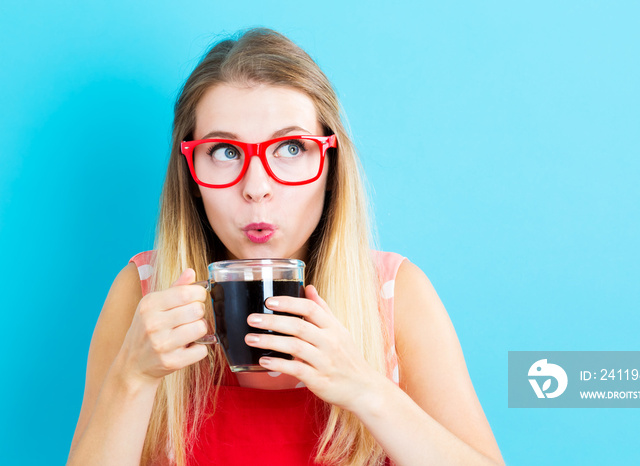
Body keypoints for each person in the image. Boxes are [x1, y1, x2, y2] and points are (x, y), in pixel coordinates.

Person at [68, 28, 504, 466]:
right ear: (190, 174)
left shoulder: (395, 296)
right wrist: (133, 377)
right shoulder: (143, 292)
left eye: (291, 147)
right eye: (224, 151)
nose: (256, 187)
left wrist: (366, 389)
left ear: (330, 165)